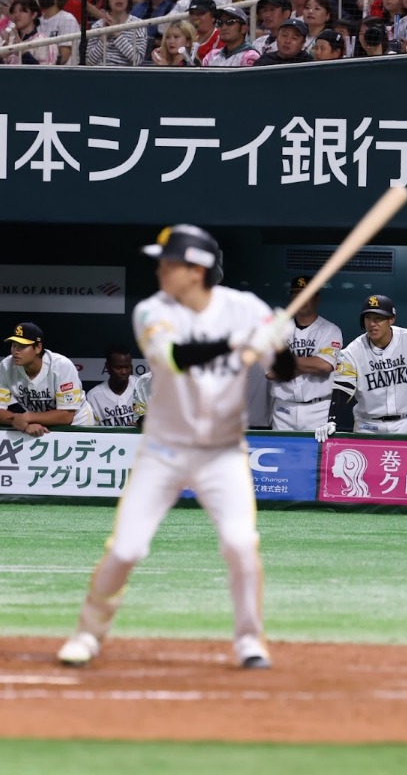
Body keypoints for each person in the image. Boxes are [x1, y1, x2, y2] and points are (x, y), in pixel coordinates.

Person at [56, 224, 297, 670]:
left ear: (198, 269)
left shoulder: (244, 308)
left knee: (241, 544)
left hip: (222, 452)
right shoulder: (152, 310)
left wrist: (277, 346)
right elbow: (173, 357)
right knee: (127, 549)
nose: (161, 269)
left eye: (170, 262)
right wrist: (236, 342)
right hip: (163, 451)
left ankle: (250, 641)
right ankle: (88, 634)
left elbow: (283, 372)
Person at [314, 294, 407, 440]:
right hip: (368, 427)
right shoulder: (353, 351)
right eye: (368, 318)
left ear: (391, 319)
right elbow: (342, 389)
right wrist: (332, 419)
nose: (372, 323)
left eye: (378, 318)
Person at [0, 321, 95, 434]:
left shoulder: (61, 366)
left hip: (77, 423)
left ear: (38, 348)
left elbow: (66, 416)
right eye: (14, 345)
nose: (16, 351)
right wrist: (22, 421)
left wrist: (28, 418)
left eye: (22, 346)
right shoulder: (6, 366)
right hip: (37, 424)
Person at [270, 276, 342, 431]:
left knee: (317, 455)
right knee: (282, 454)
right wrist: (310, 364)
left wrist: (285, 362)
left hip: (318, 410)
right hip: (283, 409)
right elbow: (270, 371)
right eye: (296, 294)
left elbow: (324, 365)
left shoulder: (330, 330)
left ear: (316, 298)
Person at [87, 344, 139, 426]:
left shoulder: (141, 387)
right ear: (107, 367)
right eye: (119, 367)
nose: (124, 372)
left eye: (127, 367)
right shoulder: (94, 396)